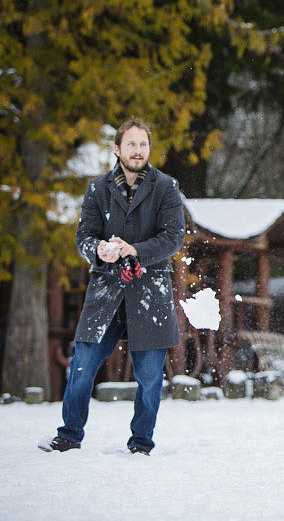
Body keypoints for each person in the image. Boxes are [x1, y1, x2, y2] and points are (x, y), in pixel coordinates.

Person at [39, 120, 185, 455]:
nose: (138, 151)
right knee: (82, 367)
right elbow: (84, 236)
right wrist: (98, 250)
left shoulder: (166, 187)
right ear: (117, 149)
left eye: (143, 145)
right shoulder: (97, 188)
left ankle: (141, 443)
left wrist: (136, 250)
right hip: (106, 291)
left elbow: (173, 236)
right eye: (131, 144)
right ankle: (69, 435)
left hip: (148, 289)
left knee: (150, 379)